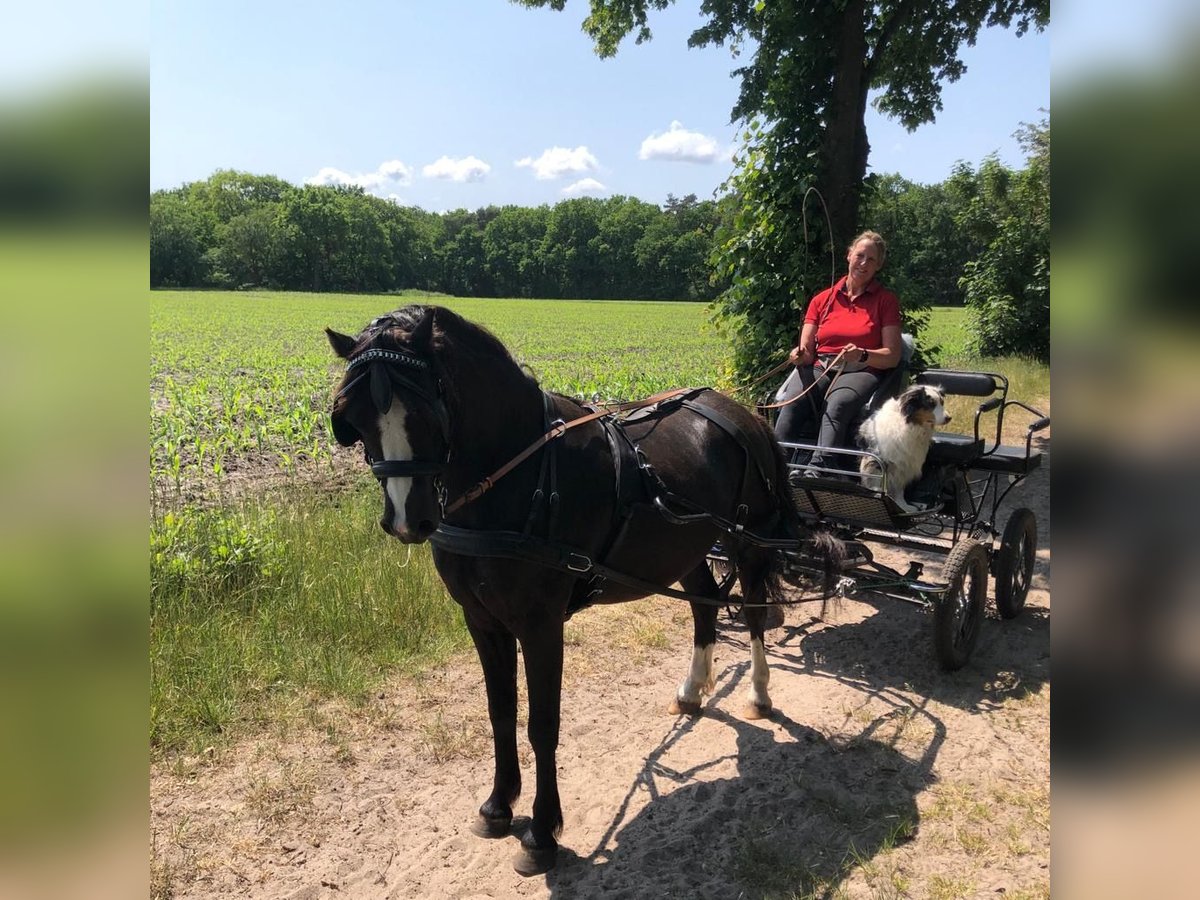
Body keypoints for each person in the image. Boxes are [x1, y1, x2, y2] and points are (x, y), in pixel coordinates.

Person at [774, 230, 903, 478]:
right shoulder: (822, 299)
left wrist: (863, 354)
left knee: (839, 403)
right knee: (792, 402)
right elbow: (808, 352)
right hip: (822, 365)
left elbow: (892, 356)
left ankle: (821, 467)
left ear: (879, 266)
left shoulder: (886, 301)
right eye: (860, 256)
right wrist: (799, 355)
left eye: (871, 260)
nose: (864, 263)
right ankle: (775, 464)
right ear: (849, 256)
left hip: (862, 368)